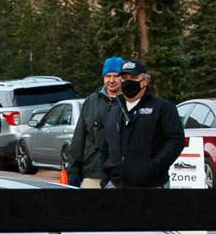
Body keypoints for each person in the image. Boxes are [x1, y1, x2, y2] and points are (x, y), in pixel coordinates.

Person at [99, 60, 186, 188]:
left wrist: (154, 167)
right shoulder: (114, 111)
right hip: (115, 184)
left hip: (151, 184)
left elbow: (176, 141)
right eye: (124, 78)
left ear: (145, 80)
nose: (128, 81)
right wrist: (106, 177)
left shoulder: (162, 107)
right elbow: (105, 145)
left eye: (133, 77)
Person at [67, 57, 127, 186]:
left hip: (124, 175)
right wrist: (73, 171)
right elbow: (79, 138)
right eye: (108, 76)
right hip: (93, 172)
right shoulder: (91, 102)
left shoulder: (131, 102)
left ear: (123, 77)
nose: (111, 80)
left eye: (116, 76)